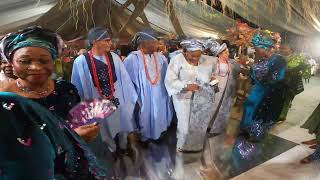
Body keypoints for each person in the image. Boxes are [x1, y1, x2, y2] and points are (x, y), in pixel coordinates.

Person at [0, 28, 109, 178]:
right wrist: (70, 139)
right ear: (11, 63)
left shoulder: (66, 89)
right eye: (25, 61)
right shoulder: (5, 99)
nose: (36, 67)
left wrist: (87, 131)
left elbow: (75, 122)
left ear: (53, 61)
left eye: (44, 60)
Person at [71, 27, 138, 158]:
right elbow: (76, 87)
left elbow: (124, 79)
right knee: (103, 128)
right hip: (96, 101)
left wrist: (128, 99)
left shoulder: (114, 57)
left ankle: (123, 146)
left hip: (116, 98)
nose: (110, 43)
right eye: (106, 40)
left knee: (121, 123)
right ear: (95, 41)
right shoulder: (80, 61)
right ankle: (110, 150)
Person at [165, 39, 216, 152]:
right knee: (184, 126)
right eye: (192, 56)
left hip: (200, 98)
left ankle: (194, 145)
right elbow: (169, 80)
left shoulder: (204, 60)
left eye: (198, 56)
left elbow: (207, 75)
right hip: (182, 97)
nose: (195, 59)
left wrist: (211, 80)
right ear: (185, 51)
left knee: (197, 124)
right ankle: (182, 145)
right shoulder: (177, 60)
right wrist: (186, 86)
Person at [237, 31, 287, 143]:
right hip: (258, 90)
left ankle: (255, 135)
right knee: (249, 108)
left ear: (264, 48)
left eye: (256, 48)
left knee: (261, 113)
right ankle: (246, 130)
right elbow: (256, 75)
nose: (255, 51)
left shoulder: (278, 60)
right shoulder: (263, 59)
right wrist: (248, 69)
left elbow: (275, 77)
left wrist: (251, 66)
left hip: (269, 93)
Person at [124, 30, 173, 144]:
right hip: (143, 95)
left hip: (160, 93)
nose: (157, 45)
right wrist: (133, 98)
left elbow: (167, 77)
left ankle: (159, 133)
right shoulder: (132, 59)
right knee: (145, 115)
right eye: (155, 42)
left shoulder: (161, 58)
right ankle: (145, 136)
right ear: (144, 43)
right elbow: (127, 82)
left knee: (160, 113)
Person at [205, 39, 241, 135]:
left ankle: (215, 125)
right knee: (213, 106)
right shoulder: (215, 62)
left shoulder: (230, 63)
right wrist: (213, 83)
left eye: (228, 52)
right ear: (220, 53)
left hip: (225, 88)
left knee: (221, 106)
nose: (228, 54)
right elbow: (209, 74)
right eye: (226, 52)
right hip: (216, 87)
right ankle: (206, 124)